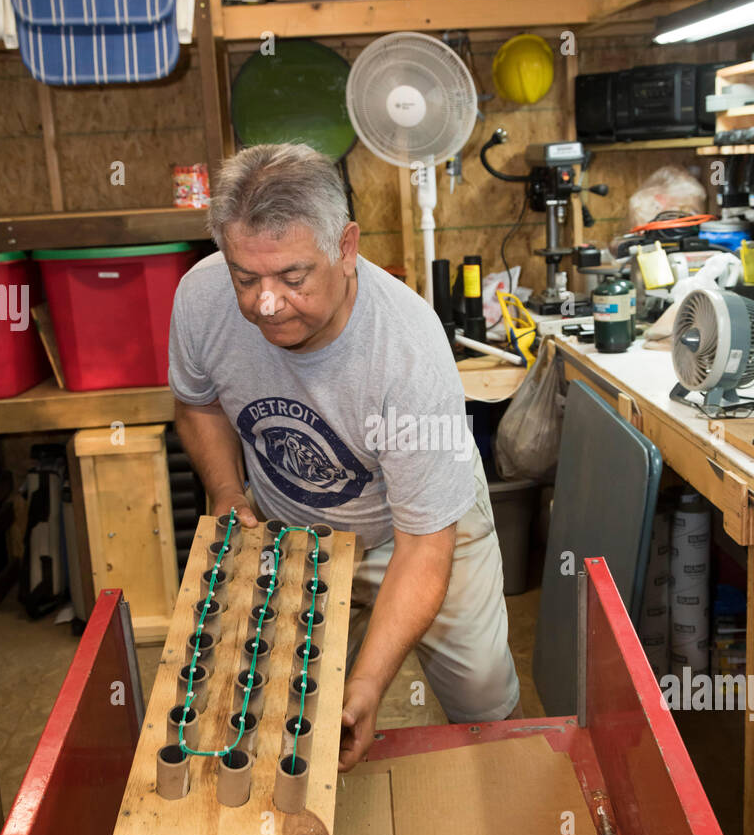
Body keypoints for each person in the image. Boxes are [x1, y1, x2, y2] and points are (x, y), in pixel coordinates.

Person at [169, 142, 522, 770]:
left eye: (292, 277)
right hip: (293, 526)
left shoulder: (408, 354)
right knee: (281, 708)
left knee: (484, 703)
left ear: (346, 246)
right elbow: (197, 404)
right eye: (245, 278)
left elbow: (424, 548)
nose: (266, 303)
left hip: (417, 524)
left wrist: (367, 685)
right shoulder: (200, 298)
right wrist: (228, 493)